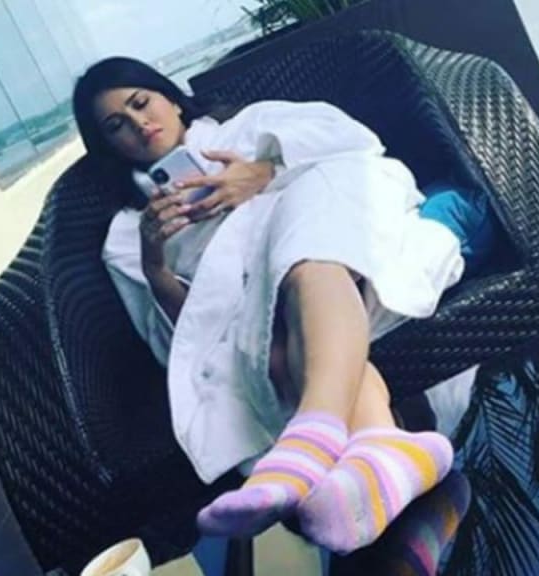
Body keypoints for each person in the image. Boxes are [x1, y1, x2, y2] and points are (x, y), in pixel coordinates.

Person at [72, 57, 490, 553]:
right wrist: (156, 267)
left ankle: (312, 439)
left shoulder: (254, 126)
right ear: (108, 147)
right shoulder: (128, 233)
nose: (139, 124)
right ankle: (384, 447)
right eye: (116, 125)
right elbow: (193, 338)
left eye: (141, 103)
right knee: (272, 344)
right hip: (278, 313)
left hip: (344, 247)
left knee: (306, 253)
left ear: (172, 100)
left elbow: (354, 152)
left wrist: (264, 174)